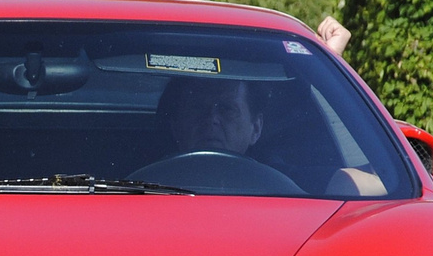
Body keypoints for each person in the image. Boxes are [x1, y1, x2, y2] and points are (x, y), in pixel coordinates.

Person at [157, 75, 384, 196]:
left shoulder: (286, 184)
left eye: (226, 109)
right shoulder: (132, 186)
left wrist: (334, 72)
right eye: (198, 108)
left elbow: (385, 184)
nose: (212, 119)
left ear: (256, 128)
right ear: (176, 126)